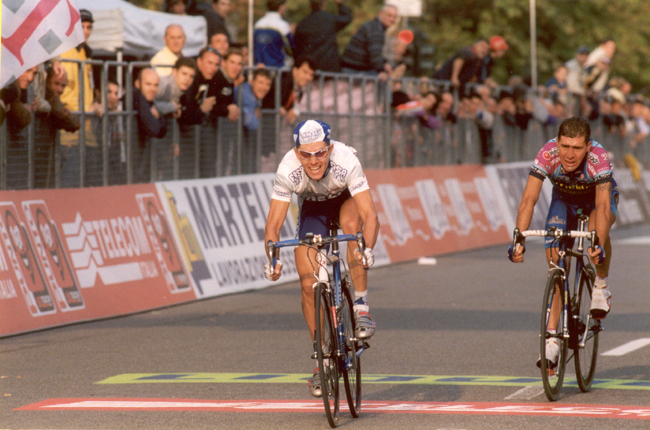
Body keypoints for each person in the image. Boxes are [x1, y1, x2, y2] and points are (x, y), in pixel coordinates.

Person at [263, 119, 379, 398]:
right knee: (307, 284)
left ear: (329, 148)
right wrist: (272, 258)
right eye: (305, 154)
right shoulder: (287, 169)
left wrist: (368, 248)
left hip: (346, 200)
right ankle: (322, 358)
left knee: (352, 231)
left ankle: (361, 307)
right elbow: (273, 225)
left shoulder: (346, 160)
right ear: (296, 152)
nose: (313, 161)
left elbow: (370, 216)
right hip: (313, 209)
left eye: (320, 153)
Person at [508, 117, 618, 369]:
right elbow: (528, 200)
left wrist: (597, 243)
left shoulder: (598, 158)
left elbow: (602, 208)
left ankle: (601, 285)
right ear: (557, 142)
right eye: (565, 146)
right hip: (563, 201)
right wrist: (519, 238)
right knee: (556, 263)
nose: (569, 154)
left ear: (588, 146)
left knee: (595, 232)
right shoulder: (548, 153)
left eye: (577, 148)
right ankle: (551, 342)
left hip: (595, 202)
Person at [59, 9, 103, 187]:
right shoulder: (65, 52)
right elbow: (64, 90)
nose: (85, 31)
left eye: (89, 27)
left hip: (86, 130)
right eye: (82, 27)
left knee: (88, 183)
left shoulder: (84, 52)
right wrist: (85, 109)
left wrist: (95, 104)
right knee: (71, 184)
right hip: (70, 132)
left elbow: (88, 88)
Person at [34, 67, 80, 188]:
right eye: (56, 83)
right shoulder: (49, 97)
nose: (60, 89)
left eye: (63, 86)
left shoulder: (53, 101)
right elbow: (73, 122)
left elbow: (72, 122)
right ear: (46, 81)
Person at [340, 4, 398, 80]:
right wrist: (381, 71)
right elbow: (374, 52)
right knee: (382, 84)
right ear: (381, 13)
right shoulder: (376, 29)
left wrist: (384, 63)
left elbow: (374, 52)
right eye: (389, 15)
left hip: (353, 67)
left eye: (394, 17)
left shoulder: (374, 26)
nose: (392, 19)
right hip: (354, 69)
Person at [294, 0, 352, 73]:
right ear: (324, 4)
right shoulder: (331, 19)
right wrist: (340, 4)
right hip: (330, 71)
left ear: (310, 5)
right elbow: (347, 18)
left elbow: (296, 48)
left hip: (309, 71)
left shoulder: (302, 24)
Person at [234, 68, 273, 173]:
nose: (264, 87)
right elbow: (251, 123)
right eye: (260, 82)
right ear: (252, 82)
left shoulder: (253, 95)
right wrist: (256, 118)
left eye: (267, 84)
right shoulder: (246, 94)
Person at [133, 68, 168, 183]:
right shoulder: (137, 98)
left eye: (155, 85)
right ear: (138, 84)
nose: (152, 89)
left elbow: (161, 131)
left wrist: (158, 118)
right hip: (127, 165)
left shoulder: (150, 101)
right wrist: (158, 118)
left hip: (140, 164)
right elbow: (155, 129)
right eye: (148, 84)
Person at [253, 0, 294, 68]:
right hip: (277, 68)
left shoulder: (258, 24)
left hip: (259, 68)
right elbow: (291, 48)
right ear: (281, 7)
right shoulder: (283, 26)